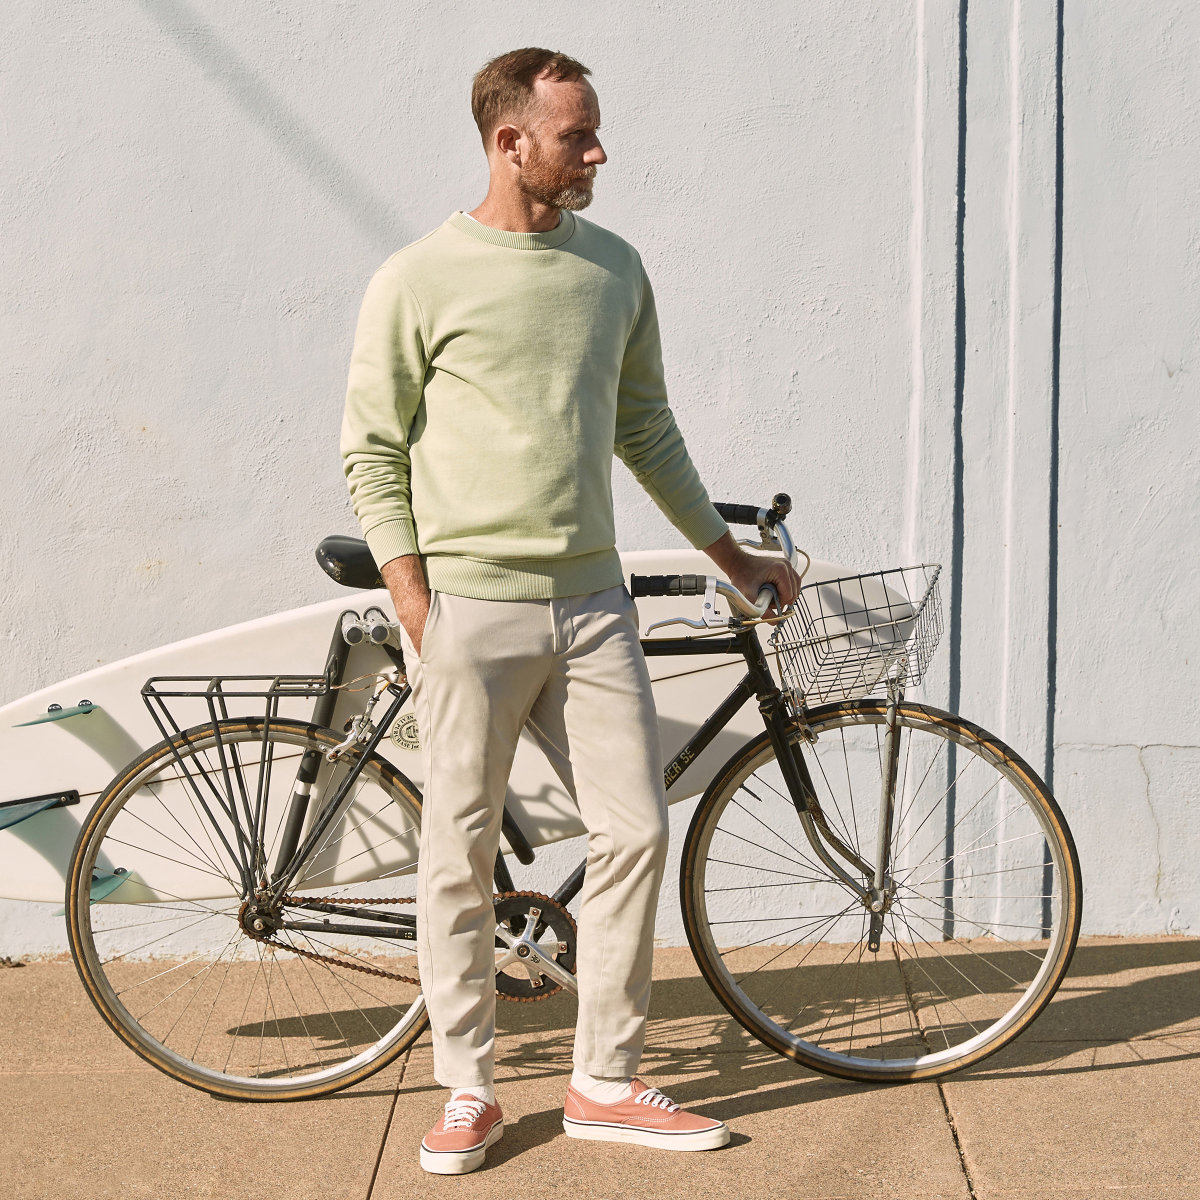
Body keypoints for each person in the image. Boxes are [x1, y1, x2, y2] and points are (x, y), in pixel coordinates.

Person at [341, 46, 801, 1175]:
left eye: (594, 131)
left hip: (593, 604)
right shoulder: (417, 278)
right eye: (575, 135)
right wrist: (416, 600)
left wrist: (729, 553)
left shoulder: (614, 270)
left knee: (636, 829)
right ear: (510, 143)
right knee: (457, 854)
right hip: (471, 609)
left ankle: (602, 1082)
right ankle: (468, 1089)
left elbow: (645, 430)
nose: (597, 152)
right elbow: (372, 449)